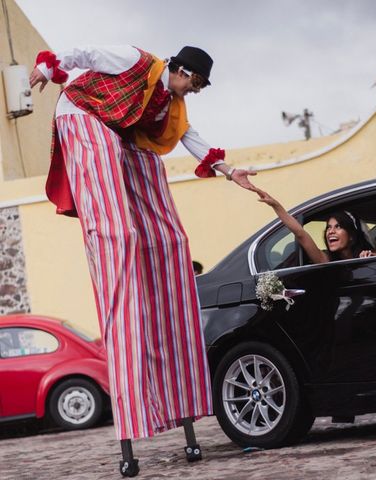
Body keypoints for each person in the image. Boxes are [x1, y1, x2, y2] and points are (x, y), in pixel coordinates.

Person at [29, 44, 256, 476]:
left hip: (116, 134)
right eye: (195, 82)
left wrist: (230, 171)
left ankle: (176, 403)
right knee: (120, 233)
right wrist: (45, 67)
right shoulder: (135, 62)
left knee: (167, 240)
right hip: (80, 115)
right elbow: (85, 52)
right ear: (182, 69)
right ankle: (132, 404)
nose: (194, 91)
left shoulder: (171, 106)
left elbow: (193, 139)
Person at [256, 189, 376, 263]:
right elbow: (300, 234)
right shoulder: (325, 259)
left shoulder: (368, 254)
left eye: (338, 227)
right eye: (329, 227)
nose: (331, 231)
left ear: (351, 235)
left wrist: (371, 258)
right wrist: (275, 205)